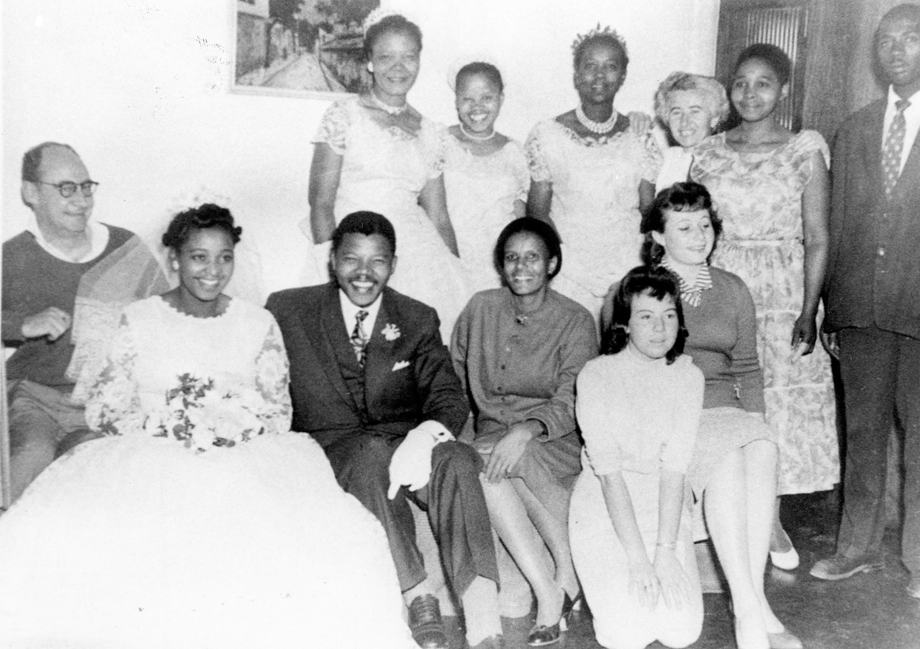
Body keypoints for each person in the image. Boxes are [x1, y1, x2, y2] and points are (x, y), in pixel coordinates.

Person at [0, 204, 416, 649]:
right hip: (149, 453)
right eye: (199, 257)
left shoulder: (258, 322)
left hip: (241, 455)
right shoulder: (139, 318)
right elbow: (107, 404)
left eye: (224, 257)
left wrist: (231, 427)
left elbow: (277, 410)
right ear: (175, 260)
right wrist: (169, 425)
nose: (213, 270)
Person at [267, 211, 502, 649]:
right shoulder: (286, 310)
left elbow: (448, 397)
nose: (363, 272)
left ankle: (484, 614)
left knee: (456, 457)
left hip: (405, 446)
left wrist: (424, 433)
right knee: (371, 453)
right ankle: (419, 595)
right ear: (332, 260)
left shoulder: (415, 318)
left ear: (393, 264)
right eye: (352, 259)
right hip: (335, 449)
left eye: (377, 261)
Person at [603, 183, 802, 649]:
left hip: (726, 410)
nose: (699, 236)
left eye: (705, 225)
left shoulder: (732, 288)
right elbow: (620, 367)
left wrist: (759, 426)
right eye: (684, 227)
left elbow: (748, 370)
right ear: (657, 235)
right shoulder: (639, 289)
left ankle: (749, 603)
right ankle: (751, 615)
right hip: (674, 411)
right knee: (730, 458)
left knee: (761, 445)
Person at [689, 43, 837, 570]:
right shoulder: (706, 151)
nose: (751, 94)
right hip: (722, 285)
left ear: (784, 90)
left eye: (764, 83)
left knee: (774, 405)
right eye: (741, 83)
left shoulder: (804, 148)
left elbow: (818, 237)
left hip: (783, 292)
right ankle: (731, 514)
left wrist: (808, 310)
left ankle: (767, 517)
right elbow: (692, 228)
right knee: (725, 398)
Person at [811, 4, 920, 598]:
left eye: (910, 39)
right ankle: (855, 546)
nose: (896, 50)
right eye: (886, 41)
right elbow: (838, 221)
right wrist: (834, 304)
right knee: (864, 435)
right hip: (862, 313)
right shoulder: (854, 127)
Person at [451, 217, 596, 646]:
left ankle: (558, 586)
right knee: (481, 460)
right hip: (490, 436)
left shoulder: (575, 320)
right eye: (511, 258)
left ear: (552, 264)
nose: (521, 268)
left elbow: (573, 399)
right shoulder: (480, 308)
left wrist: (528, 429)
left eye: (532, 257)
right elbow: (455, 380)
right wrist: (451, 436)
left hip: (552, 440)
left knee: (503, 455)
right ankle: (550, 586)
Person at [2, 142, 168, 503]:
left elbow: (164, 314)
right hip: (34, 399)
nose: (81, 199)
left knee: (98, 472)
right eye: (65, 188)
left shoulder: (125, 246)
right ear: (31, 193)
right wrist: (21, 324)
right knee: (30, 459)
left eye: (85, 186)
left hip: (104, 403)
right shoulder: (11, 256)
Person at [306, 11, 470, 340]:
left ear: (419, 61)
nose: (398, 67)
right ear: (369, 62)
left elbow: (438, 215)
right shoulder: (344, 116)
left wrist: (456, 272)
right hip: (353, 247)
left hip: (416, 255)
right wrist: (334, 269)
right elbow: (321, 204)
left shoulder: (431, 132)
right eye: (386, 57)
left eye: (409, 57)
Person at [574, 265, 704, 649]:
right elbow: (610, 477)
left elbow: (675, 469)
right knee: (626, 635)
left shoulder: (687, 376)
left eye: (669, 316)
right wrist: (637, 559)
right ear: (625, 325)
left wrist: (665, 553)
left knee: (682, 631)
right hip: (604, 505)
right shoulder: (596, 375)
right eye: (646, 317)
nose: (660, 329)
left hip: (664, 507)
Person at [526, 25, 658, 320]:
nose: (600, 76)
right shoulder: (547, 135)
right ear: (576, 74)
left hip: (627, 268)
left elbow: (649, 212)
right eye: (590, 66)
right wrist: (566, 263)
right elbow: (537, 213)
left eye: (611, 67)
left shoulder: (640, 137)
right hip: (569, 271)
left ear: (622, 76)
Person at [444, 62, 530, 293]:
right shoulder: (441, 142)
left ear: (501, 99)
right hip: (450, 256)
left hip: (497, 263)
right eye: (467, 99)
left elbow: (519, 215)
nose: (477, 106)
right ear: (456, 101)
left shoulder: (515, 151)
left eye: (487, 98)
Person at [652, 71, 729, 188]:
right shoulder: (667, 159)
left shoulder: (727, 162)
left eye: (695, 111)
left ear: (714, 118)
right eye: (676, 112)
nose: (684, 121)